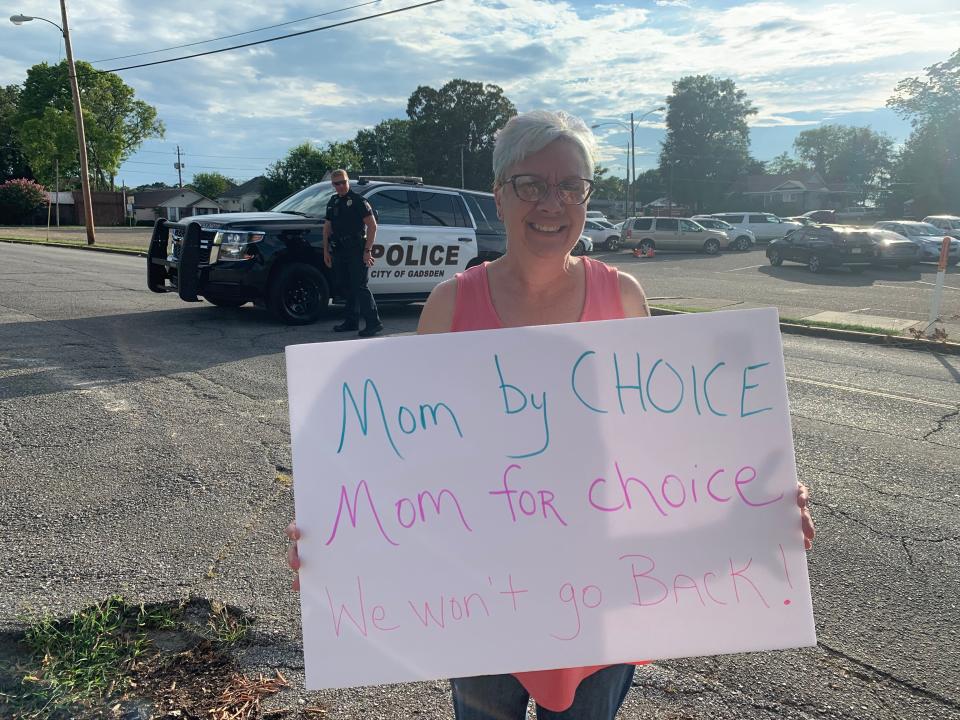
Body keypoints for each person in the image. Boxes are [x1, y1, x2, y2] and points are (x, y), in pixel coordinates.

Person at [288, 110, 816, 719]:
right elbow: (409, 458)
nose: (552, 201)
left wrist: (762, 500)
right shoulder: (451, 305)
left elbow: (669, 448)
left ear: (587, 195)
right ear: (498, 195)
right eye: (530, 184)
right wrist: (336, 537)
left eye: (571, 185)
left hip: (604, 593)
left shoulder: (622, 297)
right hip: (478, 597)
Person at [322, 169, 383, 337]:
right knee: (345, 286)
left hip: (357, 248)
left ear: (348, 181)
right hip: (340, 249)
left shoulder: (358, 201)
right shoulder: (333, 201)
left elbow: (372, 226)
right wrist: (325, 250)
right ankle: (351, 321)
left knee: (360, 286)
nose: (340, 186)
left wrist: (367, 251)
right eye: (337, 183)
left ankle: (373, 323)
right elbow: (327, 227)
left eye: (343, 182)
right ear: (333, 185)